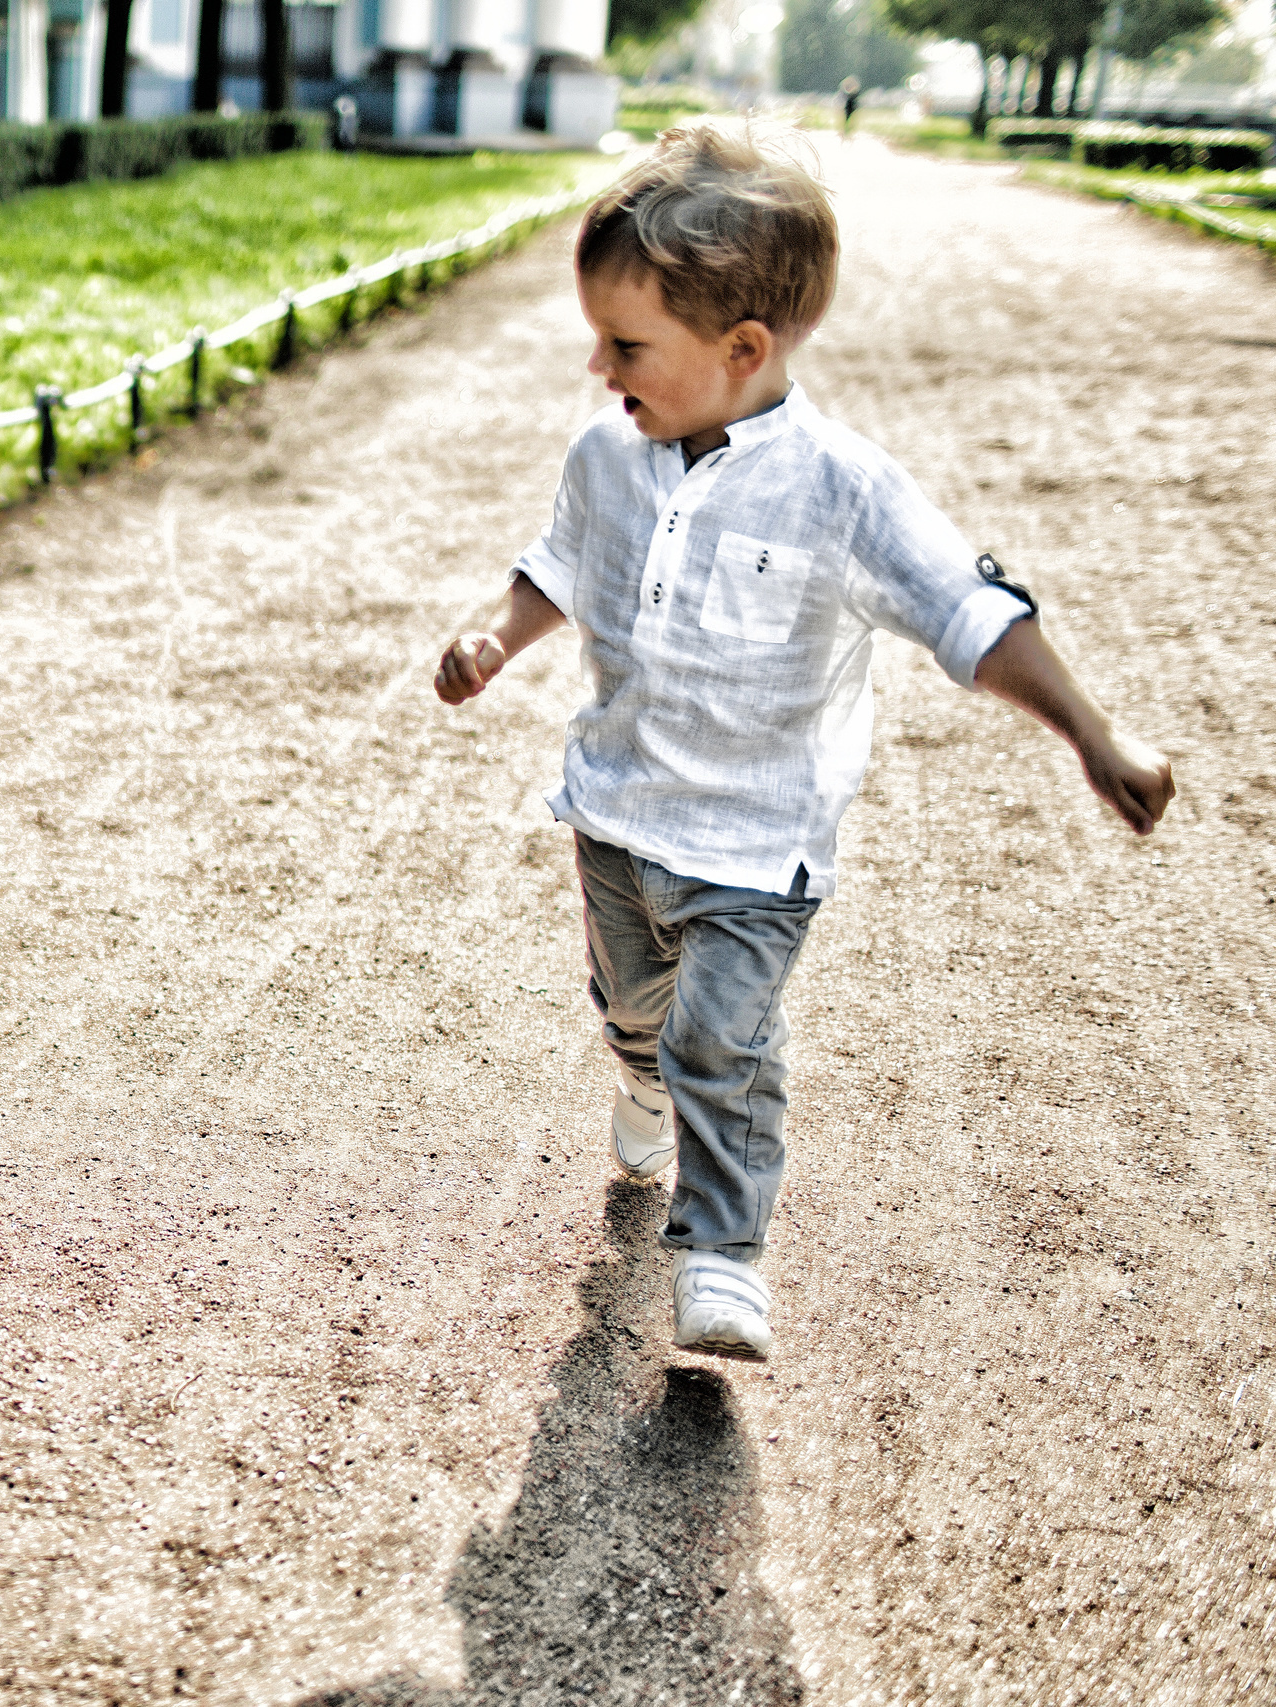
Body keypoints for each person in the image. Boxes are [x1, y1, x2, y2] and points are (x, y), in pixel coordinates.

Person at [432, 121, 1174, 1360]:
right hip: (616, 815)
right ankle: (637, 1080)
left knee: (721, 1038)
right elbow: (559, 567)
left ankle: (721, 1253)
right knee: (637, 1021)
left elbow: (967, 611)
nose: (597, 366)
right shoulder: (605, 459)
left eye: (626, 345)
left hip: (758, 845)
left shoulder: (844, 490)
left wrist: (1092, 736)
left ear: (742, 350)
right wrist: (493, 639)